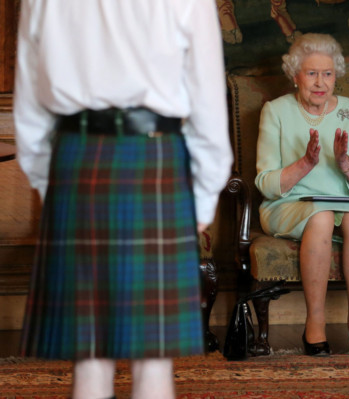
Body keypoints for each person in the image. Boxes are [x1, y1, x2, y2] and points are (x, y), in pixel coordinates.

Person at [13, 1, 232, 398]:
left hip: (75, 164)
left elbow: (29, 103)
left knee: (89, 354)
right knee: (153, 356)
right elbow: (207, 101)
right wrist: (202, 198)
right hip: (154, 160)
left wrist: (52, 185)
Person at [255, 33, 349, 357]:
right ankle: (315, 324)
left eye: (327, 73)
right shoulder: (276, 111)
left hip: (346, 202)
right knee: (321, 217)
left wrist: (344, 163)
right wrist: (306, 163)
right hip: (290, 203)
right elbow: (265, 182)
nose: (320, 82)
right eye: (311, 73)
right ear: (295, 75)